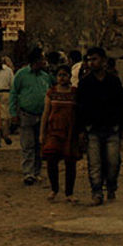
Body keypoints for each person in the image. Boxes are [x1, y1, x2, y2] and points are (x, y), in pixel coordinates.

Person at [77, 47, 123, 205]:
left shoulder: (113, 81)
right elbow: (80, 108)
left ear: (103, 60)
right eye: (89, 60)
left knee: (113, 162)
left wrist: (121, 126)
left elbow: (121, 105)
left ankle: (111, 188)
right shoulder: (85, 83)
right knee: (94, 164)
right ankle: (97, 192)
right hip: (93, 130)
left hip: (112, 129)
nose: (92, 63)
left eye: (95, 59)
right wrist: (81, 130)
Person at [9, 47, 51, 185]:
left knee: (40, 145)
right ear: (35, 60)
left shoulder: (45, 76)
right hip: (26, 115)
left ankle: (37, 172)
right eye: (42, 59)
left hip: (43, 116)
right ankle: (28, 173)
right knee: (28, 145)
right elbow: (14, 94)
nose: (44, 62)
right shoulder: (21, 74)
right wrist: (13, 113)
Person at [40, 64, 80, 202]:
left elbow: (79, 112)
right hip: (53, 132)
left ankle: (69, 193)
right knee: (51, 161)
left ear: (69, 76)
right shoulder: (51, 92)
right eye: (59, 75)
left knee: (70, 163)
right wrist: (42, 133)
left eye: (64, 75)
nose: (62, 78)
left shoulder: (75, 92)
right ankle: (54, 189)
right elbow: (45, 113)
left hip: (70, 133)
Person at [0, 56, 15, 145]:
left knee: (5, 117)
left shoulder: (8, 71)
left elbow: (12, 83)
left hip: (5, 93)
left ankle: (5, 135)